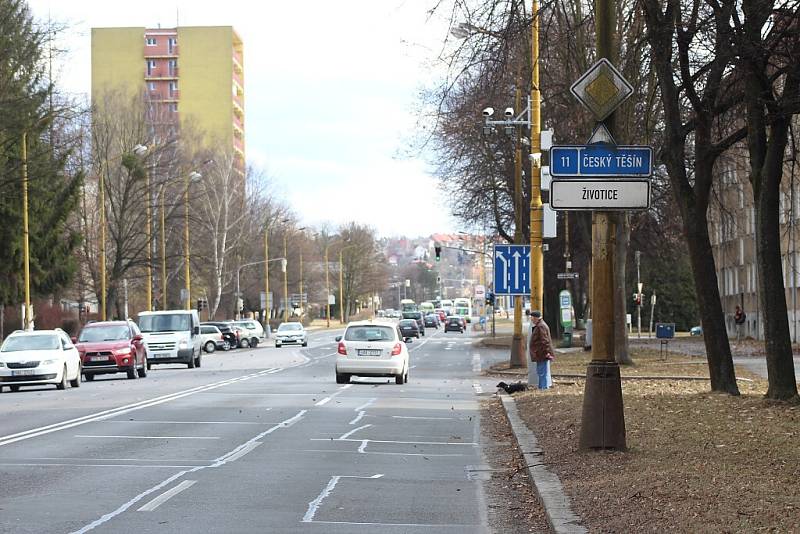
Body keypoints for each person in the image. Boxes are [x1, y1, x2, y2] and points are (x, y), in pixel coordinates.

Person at [528, 310, 554, 389]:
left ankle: (543, 388)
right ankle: (542, 387)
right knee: (541, 371)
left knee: (542, 371)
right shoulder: (540, 325)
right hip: (541, 352)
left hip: (542, 353)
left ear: (535, 318)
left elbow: (545, 341)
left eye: (532, 318)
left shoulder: (540, 326)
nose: (531, 319)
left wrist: (547, 352)